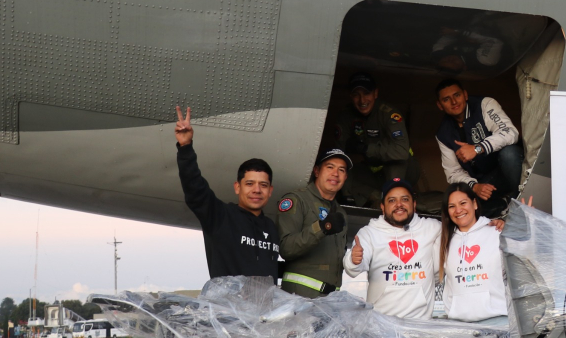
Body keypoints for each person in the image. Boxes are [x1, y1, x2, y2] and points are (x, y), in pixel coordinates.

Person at [174, 106, 280, 280]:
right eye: (249, 184)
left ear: (270, 191)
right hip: (228, 299)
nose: (256, 190)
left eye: (263, 185)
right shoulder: (220, 217)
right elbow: (195, 189)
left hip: (265, 299)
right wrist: (185, 147)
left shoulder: (271, 228)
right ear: (237, 187)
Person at [341, 179, 441, 319]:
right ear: (382, 207)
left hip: (420, 324)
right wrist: (354, 260)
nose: (399, 204)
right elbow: (353, 270)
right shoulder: (369, 233)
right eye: (392, 200)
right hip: (381, 324)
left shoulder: (433, 228)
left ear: (414, 204)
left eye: (405, 199)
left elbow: (440, 269)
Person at [434, 79, 523, 218]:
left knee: (509, 154)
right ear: (440, 105)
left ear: (465, 95)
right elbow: (452, 173)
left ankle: (520, 200)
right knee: (459, 205)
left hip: (507, 172)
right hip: (484, 184)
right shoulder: (443, 134)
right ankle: (503, 204)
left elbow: (511, 133)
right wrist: (474, 186)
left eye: (457, 95)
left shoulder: (484, 104)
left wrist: (478, 148)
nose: (454, 102)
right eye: (446, 99)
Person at [274, 148, 351, 298]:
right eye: (330, 167)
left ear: (345, 177)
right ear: (316, 171)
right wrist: (322, 228)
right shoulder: (297, 200)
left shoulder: (340, 212)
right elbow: (286, 248)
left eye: (341, 170)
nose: (335, 173)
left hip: (329, 300)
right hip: (299, 297)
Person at [336, 72, 421, 207]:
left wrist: (366, 149)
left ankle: (393, 201)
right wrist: (346, 194)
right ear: (350, 96)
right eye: (356, 94)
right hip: (375, 172)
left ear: (375, 93)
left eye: (366, 93)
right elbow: (339, 153)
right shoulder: (346, 116)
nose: (362, 100)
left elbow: (401, 152)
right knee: (339, 172)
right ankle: (376, 196)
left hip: (405, 169)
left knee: (395, 161)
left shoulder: (389, 114)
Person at [436, 183, 508, 324]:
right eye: (451, 206)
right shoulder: (443, 240)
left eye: (463, 203)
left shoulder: (497, 232)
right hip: (459, 324)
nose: (458, 210)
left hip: (497, 320)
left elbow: (524, 263)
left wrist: (526, 227)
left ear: (474, 204)